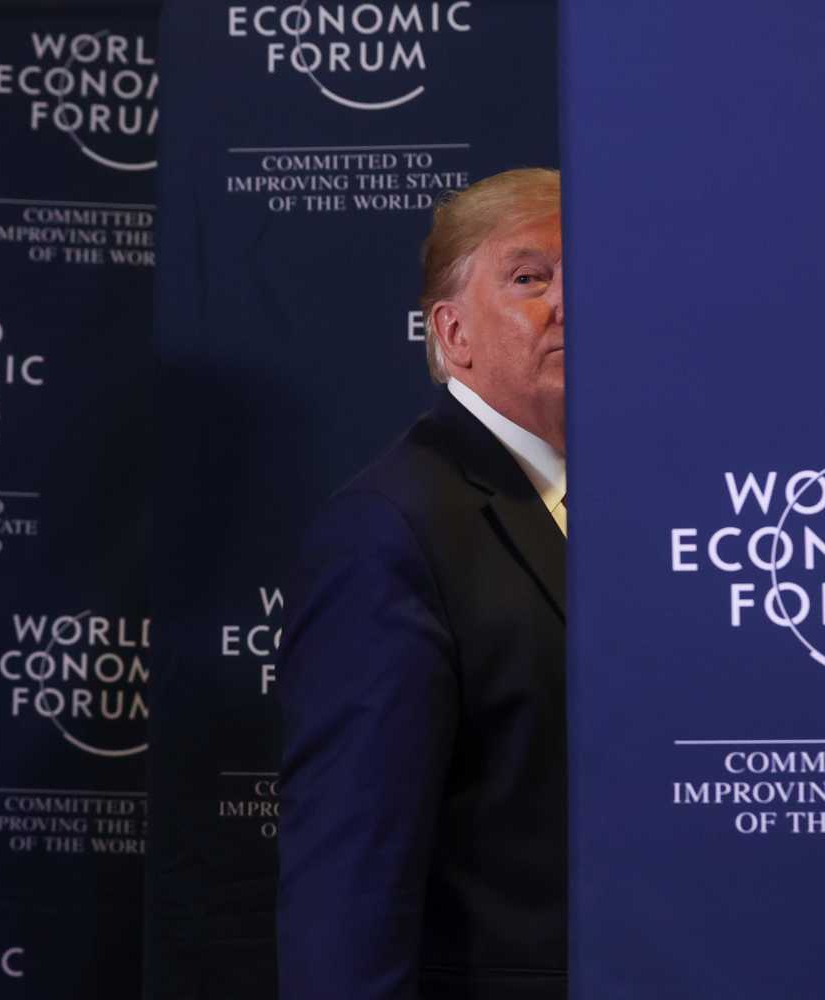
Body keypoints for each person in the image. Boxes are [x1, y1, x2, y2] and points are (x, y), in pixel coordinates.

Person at [276, 168, 567, 1000]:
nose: (570, 302)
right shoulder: (388, 529)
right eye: (530, 278)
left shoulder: (649, 512)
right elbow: (351, 872)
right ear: (452, 333)